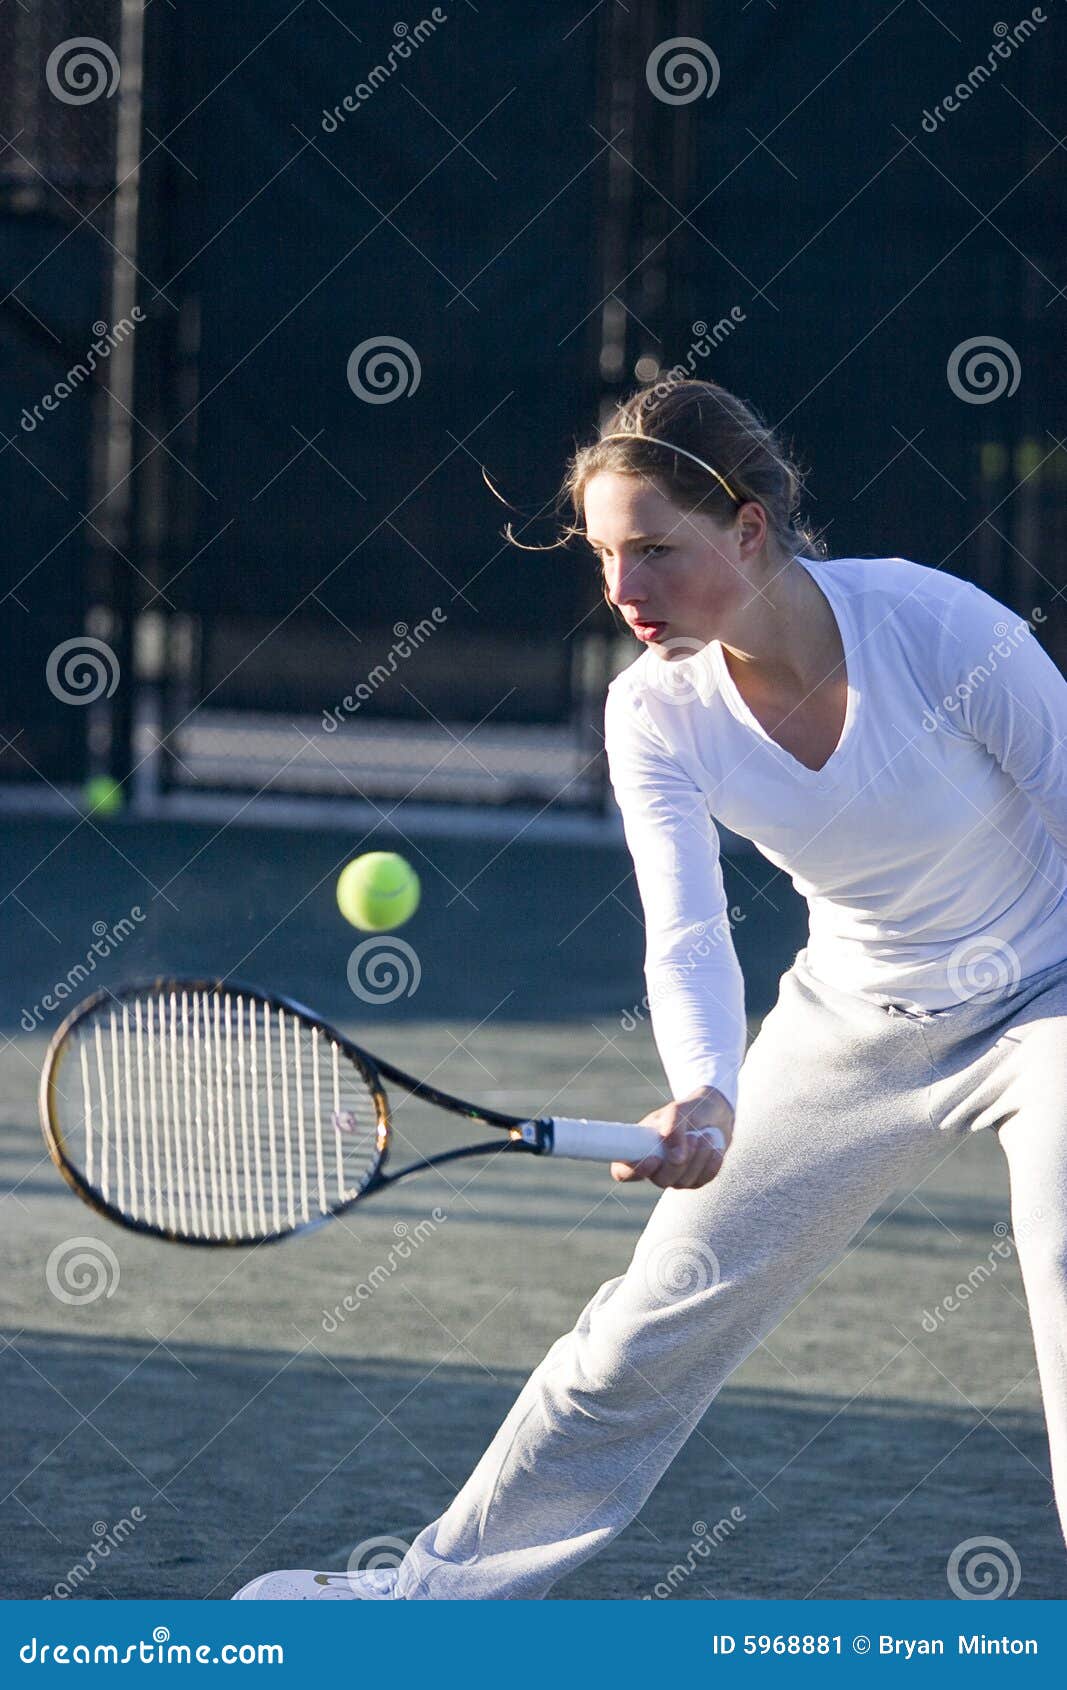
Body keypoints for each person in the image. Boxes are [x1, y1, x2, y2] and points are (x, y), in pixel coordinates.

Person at [234, 378, 1067, 1601]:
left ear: (746, 528)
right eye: (606, 556)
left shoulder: (936, 628)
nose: (623, 592)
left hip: (1047, 996)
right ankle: (420, 1610)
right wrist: (707, 1093)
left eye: (655, 552)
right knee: (638, 1336)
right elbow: (685, 930)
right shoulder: (654, 710)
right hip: (851, 1020)